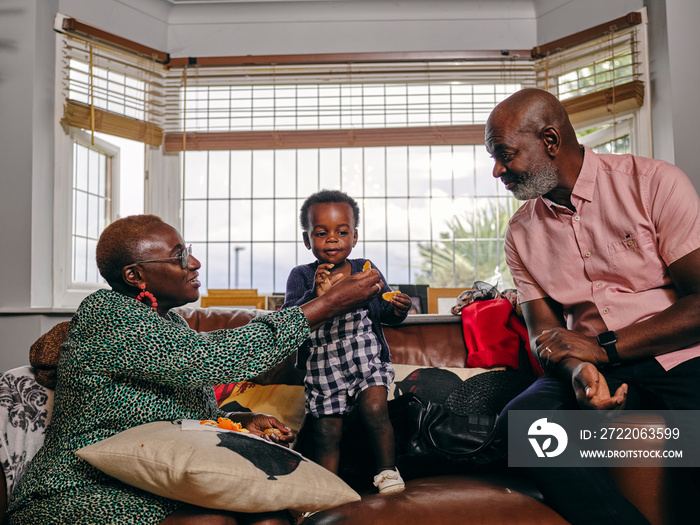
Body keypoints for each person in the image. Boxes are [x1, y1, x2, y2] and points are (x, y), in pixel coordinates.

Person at [8, 214, 384, 525]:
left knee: (268, 517)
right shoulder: (106, 314)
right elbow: (212, 359)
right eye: (179, 255)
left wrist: (239, 420)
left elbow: (179, 412)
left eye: (188, 250)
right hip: (80, 489)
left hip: (152, 480)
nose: (194, 262)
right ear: (134, 276)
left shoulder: (171, 325)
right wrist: (329, 303)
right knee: (212, 523)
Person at [486, 88, 700, 525]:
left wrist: (603, 349)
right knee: (521, 425)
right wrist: (579, 371)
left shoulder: (654, 182)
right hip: (593, 364)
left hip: (676, 354)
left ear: (550, 140)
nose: (497, 170)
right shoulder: (520, 233)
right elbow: (544, 335)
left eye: (505, 155)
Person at [283, 190, 413, 494]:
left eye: (341, 232)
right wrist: (316, 295)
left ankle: (387, 472)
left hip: (364, 354)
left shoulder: (366, 269)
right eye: (321, 233)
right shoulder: (301, 276)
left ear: (354, 237)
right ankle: (329, 489)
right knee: (327, 431)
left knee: (375, 407)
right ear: (307, 240)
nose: (332, 239)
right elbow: (289, 318)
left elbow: (385, 311)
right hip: (323, 362)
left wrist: (398, 308)